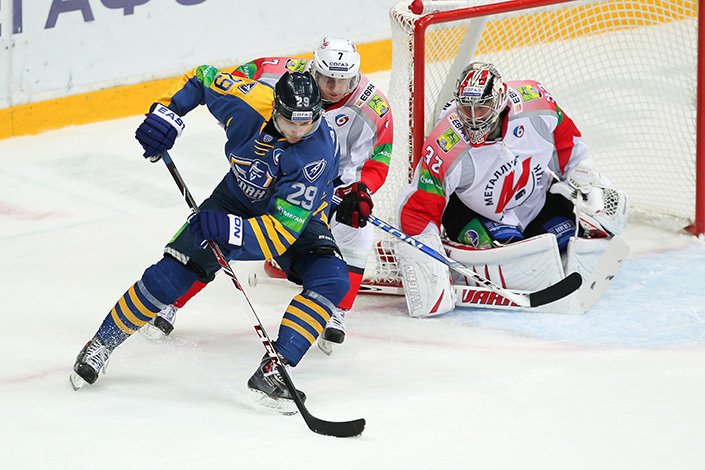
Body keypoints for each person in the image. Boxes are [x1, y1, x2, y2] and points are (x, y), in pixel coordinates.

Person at [70, 68, 349, 411]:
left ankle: (275, 371)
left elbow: (280, 233)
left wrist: (229, 229)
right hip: (233, 200)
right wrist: (167, 114)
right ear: (275, 107)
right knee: (170, 276)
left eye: (305, 124)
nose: (296, 132)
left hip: (296, 220)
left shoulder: (315, 152)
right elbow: (201, 78)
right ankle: (100, 344)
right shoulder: (249, 102)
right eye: (289, 122)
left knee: (332, 278)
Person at [143, 38, 393, 355]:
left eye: (342, 80)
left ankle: (335, 310)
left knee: (358, 231)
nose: (334, 88)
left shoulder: (374, 107)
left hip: (325, 186)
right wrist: (242, 129)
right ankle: (172, 300)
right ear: (314, 70)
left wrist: (362, 189)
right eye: (328, 78)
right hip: (266, 172)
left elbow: (380, 154)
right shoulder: (277, 72)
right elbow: (234, 85)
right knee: (223, 232)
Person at [395, 62, 628, 317]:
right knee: (515, 256)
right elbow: (417, 209)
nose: (473, 117)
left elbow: (570, 151)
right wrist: (426, 260)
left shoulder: (537, 104)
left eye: (481, 107)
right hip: (475, 213)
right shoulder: (445, 144)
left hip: (535, 202)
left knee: (573, 235)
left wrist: (587, 184)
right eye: (466, 108)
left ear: (498, 102)